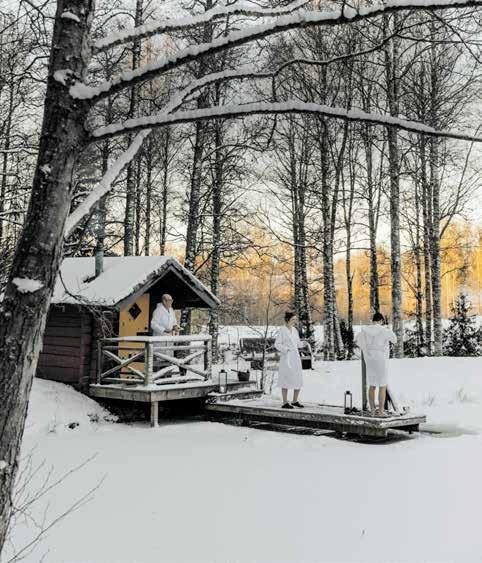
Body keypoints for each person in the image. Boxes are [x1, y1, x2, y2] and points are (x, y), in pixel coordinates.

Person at [355, 312, 397, 417]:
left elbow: (358, 340)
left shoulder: (365, 330)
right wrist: (388, 330)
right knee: (382, 385)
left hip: (370, 360)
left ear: (373, 320)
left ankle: (373, 411)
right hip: (381, 359)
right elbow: (394, 340)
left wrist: (367, 349)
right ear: (381, 321)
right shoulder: (384, 330)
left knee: (372, 385)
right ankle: (381, 411)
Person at [274, 311, 304, 409]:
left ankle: (295, 401)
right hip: (286, 357)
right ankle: (284, 402)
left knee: (298, 377)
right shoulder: (282, 330)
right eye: (293, 319)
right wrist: (285, 349)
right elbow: (277, 344)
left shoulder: (295, 330)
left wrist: (304, 344)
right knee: (285, 378)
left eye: (295, 319)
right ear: (287, 320)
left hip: (295, 357)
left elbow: (298, 343)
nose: (295, 321)